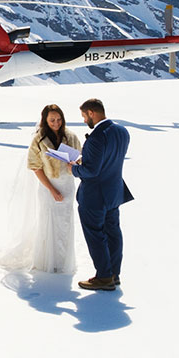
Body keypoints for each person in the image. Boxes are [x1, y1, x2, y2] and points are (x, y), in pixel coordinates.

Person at [0, 104, 83, 273]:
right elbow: (35, 167)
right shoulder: (38, 140)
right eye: (52, 120)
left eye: (59, 119)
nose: (56, 123)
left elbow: (80, 157)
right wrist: (52, 190)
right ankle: (47, 260)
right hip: (48, 186)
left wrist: (74, 165)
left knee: (65, 223)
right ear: (45, 120)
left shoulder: (71, 136)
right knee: (48, 222)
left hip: (67, 184)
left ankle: (62, 261)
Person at [68, 98, 132, 291]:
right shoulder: (122, 132)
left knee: (95, 235)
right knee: (113, 233)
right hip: (114, 192)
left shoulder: (96, 138)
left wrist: (74, 168)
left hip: (95, 196)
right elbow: (109, 161)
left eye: (84, 116)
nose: (84, 121)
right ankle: (114, 273)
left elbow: (91, 171)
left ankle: (103, 277)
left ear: (91, 113)